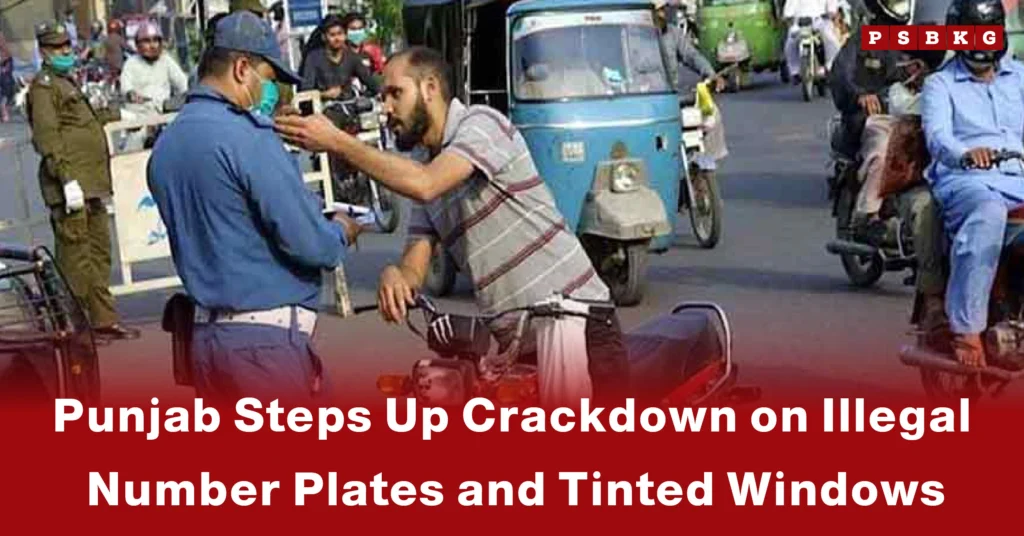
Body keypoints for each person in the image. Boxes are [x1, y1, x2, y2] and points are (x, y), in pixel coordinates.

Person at [276, 46, 630, 401]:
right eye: (383, 97)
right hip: (520, 347)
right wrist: (395, 276)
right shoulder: (423, 161)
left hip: (575, 324)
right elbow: (415, 267)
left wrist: (338, 143)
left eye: (395, 94)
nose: (385, 108)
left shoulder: (482, 124)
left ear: (430, 88)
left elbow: (426, 183)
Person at [148, 11, 361, 402]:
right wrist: (341, 231)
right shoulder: (248, 138)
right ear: (243, 68)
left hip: (207, 345)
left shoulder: (166, 145)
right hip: (265, 350)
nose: (273, 91)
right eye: (270, 77)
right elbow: (312, 244)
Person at [922, 0, 1024, 368]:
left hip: (1018, 176)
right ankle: (966, 328)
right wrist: (966, 153)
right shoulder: (940, 84)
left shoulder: (1021, 78)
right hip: (967, 180)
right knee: (989, 213)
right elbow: (937, 137)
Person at [26, 22, 139, 341]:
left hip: (91, 185)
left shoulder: (65, 82)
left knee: (99, 253)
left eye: (66, 45)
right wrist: (66, 180)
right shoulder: (44, 87)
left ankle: (103, 319)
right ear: (44, 52)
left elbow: (83, 122)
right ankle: (75, 327)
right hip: (71, 186)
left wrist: (122, 116)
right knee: (76, 260)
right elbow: (48, 138)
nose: (65, 52)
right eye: (58, 47)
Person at [299, 15, 379, 100]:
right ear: (324, 37)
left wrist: (360, 97)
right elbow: (305, 92)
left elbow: (373, 85)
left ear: (345, 35)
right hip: (321, 108)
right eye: (332, 35)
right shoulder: (313, 58)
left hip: (348, 106)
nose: (337, 38)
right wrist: (324, 95)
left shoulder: (352, 57)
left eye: (340, 34)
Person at [652, 0, 724, 93]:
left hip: (670, 93)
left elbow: (691, 55)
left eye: (663, 9)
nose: (662, 14)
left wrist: (710, 74)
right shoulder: (636, 36)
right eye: (658, 11)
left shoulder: (673, 33)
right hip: (644, 93)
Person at [120, 22, 189, 115]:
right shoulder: (131, 63)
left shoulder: (166, 60)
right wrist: (131, 94)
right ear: (138, 44)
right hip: (138, 114)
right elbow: (125, 87)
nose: (152, 45)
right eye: (147, 41)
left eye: (155, 41)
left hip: (163, 112)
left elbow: (182, 83)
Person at [782, 0, 841, 82]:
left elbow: (832, 7)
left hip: (820, 21)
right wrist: (787, 17)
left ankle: (829, 66)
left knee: (831, 40)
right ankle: (794, 71)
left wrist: (831, 12)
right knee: (790, 43)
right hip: (799, 24)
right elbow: (788, 11)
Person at [0, 32, 15, 122]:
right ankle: (3, 109)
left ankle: (4, 108)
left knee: (7, 85)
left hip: (5, 65)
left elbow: (8, 53)